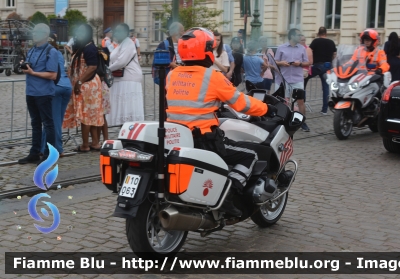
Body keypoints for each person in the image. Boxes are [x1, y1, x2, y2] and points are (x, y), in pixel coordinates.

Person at [166, 27, 277, 217]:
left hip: (176, 138)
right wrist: (267, 108)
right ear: (206, 50)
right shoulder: (212, 77)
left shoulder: (172, 75)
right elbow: (241, 103)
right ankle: (228, 195)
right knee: (250, 156)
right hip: (204, 140)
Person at [18, 23, 58, 164]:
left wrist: (33, 72)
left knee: (48, 124)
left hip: (44, 93)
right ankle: (34, 153)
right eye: (33, 32)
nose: (34, 34)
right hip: (31, 92)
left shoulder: (51, 51)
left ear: (45, 35)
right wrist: (25, 65)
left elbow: (53, 75)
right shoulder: (32, 50)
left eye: (37, 32)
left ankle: (50, 154)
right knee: (35, 123)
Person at [63, 24, 104, 152]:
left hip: (87, 85)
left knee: (86, 115)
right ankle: (95, 143)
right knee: (90, 115)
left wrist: (79, 82)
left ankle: (86, 144)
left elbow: (92, 67)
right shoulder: (84, 47)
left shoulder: (89, 48)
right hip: (87, 85)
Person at [40, 34, 72, 157]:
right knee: (54, 120)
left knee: (52, 121)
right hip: (66, 86)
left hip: (55, 87)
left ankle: (57, 148)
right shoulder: (58, 52)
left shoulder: (47, 52)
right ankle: (44, 148)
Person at [107, 23, 144, 126]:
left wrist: (107, 70)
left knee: (127, 109)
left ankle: (128, 129)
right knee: (122, 107)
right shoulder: (121, 44)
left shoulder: (128, 43)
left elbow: (121, 61)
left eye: (119, 31)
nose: (116, 33)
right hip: (120, 79)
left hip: (128, 79)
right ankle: (122, 129)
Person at [275, 28, 310, 132]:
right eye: (299, 35)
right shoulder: (281, 47)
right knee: (283, 101)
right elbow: (275, 62)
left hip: (297, 78)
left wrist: (299, 64)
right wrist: (282, 63)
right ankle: (283, 121)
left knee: (300, 101)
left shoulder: (302, 48)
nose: (301, 37)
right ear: (292, 36)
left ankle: (302, 122)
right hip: (283, 79)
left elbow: (307, 63)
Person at [304, 27, 336, 115]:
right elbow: (334, 55)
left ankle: (302, 101)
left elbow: (309, 51)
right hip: (328, 66)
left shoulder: (316, 41)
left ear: (318, 33)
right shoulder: (331, 42)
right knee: (325, 88)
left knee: (304, 78)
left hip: (318, 66)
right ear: (326, 33)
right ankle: (324, 110)